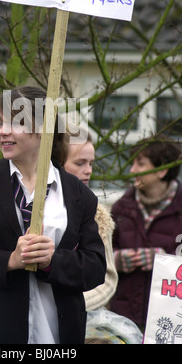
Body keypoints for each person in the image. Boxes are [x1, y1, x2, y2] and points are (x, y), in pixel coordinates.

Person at [0, 86, 106, 344]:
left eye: (14, 122)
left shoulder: (77, 192)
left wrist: (51, 261)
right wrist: (10, 260)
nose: (2, 131)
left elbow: (95, 268)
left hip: (59, 334)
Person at [65, 128, 143, 344]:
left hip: (82, 323)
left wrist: (67, 304)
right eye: (80, 163)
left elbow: (107, 280)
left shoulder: (98, 214)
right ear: (56, 163)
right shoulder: (27, 209)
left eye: (91, 164)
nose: (88, 171)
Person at [110, 134, 182, 330]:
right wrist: (117, 260)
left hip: (170, 323)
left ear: (162, 170)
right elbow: (101, 254)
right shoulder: (120, 208)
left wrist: (163, 261)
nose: (132, 170)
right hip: (124, 320)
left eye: (140, 164)